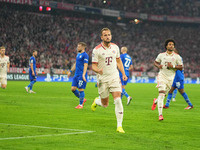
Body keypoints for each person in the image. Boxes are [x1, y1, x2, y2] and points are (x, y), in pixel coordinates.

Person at [91, 28, 127, 133]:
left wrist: (123, 74)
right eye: (105, 35)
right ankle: (97, 101)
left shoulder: (115, 47)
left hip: (114, 77)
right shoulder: (96, 50)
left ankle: (119, 126)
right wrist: (98, 70)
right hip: (102, 79)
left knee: (118, 100)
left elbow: (119, 62)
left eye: (109, 35)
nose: (108, 36)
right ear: (101, 37)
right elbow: (93, 66)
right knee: (105, 104)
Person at [151, 39, 183, 121]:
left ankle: (155, 101)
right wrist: (158, 66)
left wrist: (172, 66)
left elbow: (181, 67)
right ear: (166, 46)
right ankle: (160, 115)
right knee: (161, 94)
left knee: (163, 95)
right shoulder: (161, 55)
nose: (171, 46)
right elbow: (155, 62)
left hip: (171, 78)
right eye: (169, 44)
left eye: (172, 44)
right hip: (162, 76)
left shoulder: (177, 57)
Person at [68, 42, 89, 109]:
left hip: (81, 75)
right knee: (73, 89)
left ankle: (80, 105)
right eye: (77, 46)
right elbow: (76, 64)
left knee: (80, 89)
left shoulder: (85, 55)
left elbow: (86, 65)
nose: (77, 47)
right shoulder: (78, 55)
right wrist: (70, 71)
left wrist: (83, 74)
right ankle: (83, 99)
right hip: (76, 74)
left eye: (79, 46)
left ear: (83, 47)